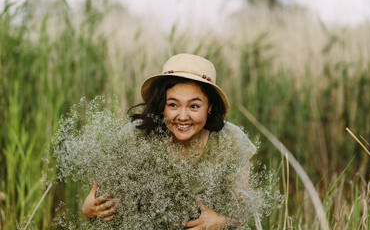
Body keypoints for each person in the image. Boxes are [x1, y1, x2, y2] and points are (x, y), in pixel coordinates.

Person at [81, 53, 257, 229]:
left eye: (194, 106)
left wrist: (220, 222)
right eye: (173, 105)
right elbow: (101, 201)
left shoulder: (231, 141)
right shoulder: (136, 136)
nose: (182, 116)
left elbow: (242, 209)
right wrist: (89, 209)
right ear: (162, 104)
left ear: (210, 106)